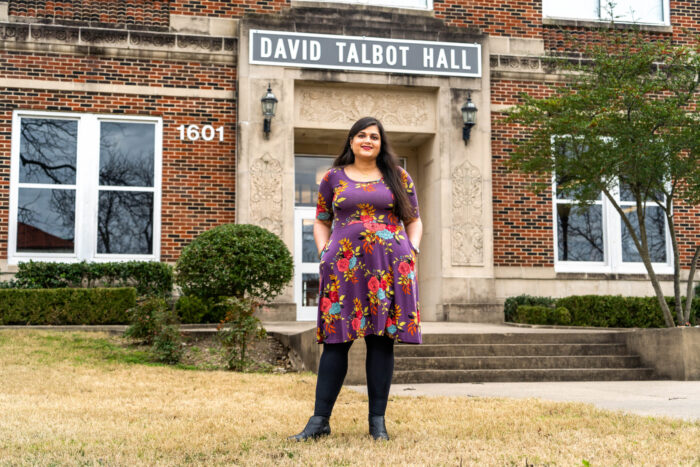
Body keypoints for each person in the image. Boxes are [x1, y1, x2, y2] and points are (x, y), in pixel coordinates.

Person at [288, 116, 423, 442]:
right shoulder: (332, 178)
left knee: (381, 342)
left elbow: (414, 220)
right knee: (336, 342)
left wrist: (412, 251)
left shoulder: (398, 176)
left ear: (381, 143)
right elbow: (321, 220)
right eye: (361, 135)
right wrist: (324, 253)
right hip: (343, 269)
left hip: (389, 269)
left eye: (374, 136)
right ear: (350, 141)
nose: (368, 140)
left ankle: (377, 423)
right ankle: (319, 421)